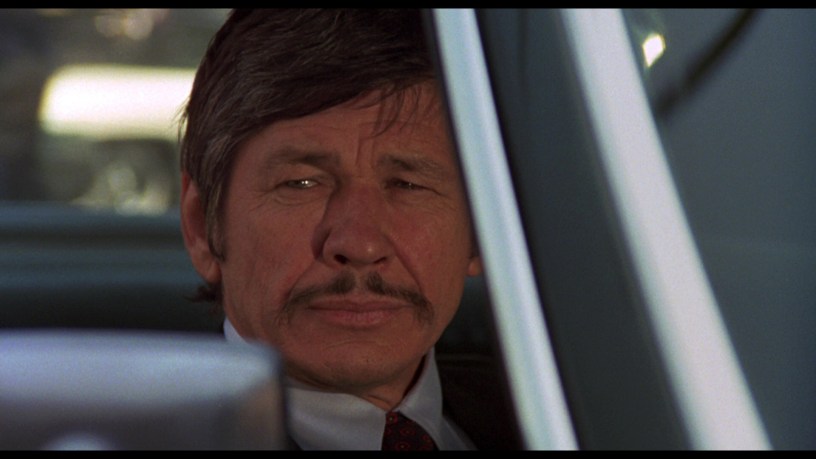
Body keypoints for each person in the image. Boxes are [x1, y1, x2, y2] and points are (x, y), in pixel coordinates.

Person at [179, 9, 520, 450]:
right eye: (302, 184)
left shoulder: (565, 410)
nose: (360, 245)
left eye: (408, 185)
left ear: (480, 229)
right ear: (202, 227)